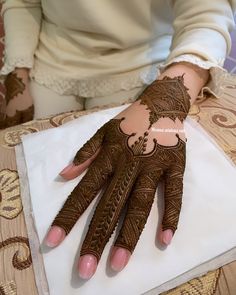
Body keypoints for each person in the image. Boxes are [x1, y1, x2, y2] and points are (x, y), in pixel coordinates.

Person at [1, 0, 235, 280]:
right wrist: (17, 73)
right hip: (51, 57)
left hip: (142, 65)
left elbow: (206, 13)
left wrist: (168, 97)